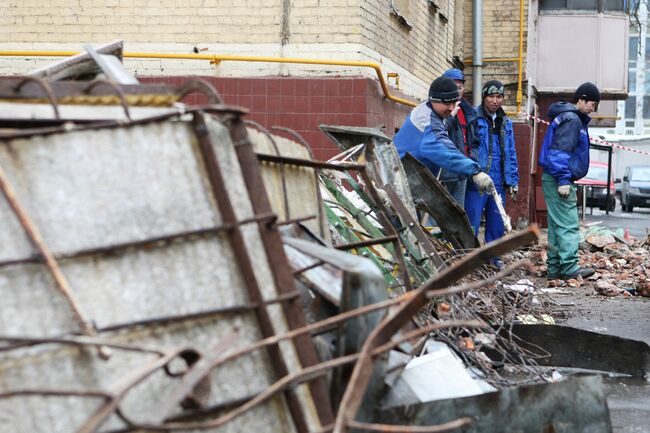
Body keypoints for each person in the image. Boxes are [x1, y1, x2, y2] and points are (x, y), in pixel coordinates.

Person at [393, 76, 495, 204]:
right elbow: (445, 150)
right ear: (434, 100)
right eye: (447, 103)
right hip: (401, 183)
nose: (452, 108)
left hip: (408, 180)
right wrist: (475, 171)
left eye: (454, 102)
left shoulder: (428, 110)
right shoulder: (427, 122)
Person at [539, 82, 600, 280]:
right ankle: (569, 268)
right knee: (568, 224)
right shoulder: (572, 119)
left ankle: (555, 269)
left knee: (557, 225)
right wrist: (564, 179)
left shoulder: (567, 117)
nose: (593, 108)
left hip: (553, 177)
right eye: (592, 103)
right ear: (581, 99)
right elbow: (559, 152)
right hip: (559, 178)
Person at [465, 80, 519, 246]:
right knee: (471, 220)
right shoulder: (473, 117)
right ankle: (468, 258)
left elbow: (511, 152)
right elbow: (467, 148)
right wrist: (472, 172)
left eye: (499, 97)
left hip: (498, 179)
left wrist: (513, 180)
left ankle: (493, 260)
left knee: (497, 222)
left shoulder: (506, 122)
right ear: (483, 97)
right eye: (491, 97)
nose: (495, 101)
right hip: (477, 178)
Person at [439, 68, 479, 206]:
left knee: (457, 213)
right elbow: (437, 132)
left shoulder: (469, 112)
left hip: (461, 172)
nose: (457, 91)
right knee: (435, 217)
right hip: (441, 173)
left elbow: (474, 141)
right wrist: (451, 116)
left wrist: (472, 159)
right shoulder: (436, 107)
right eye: (452, 87)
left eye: (460, 87)